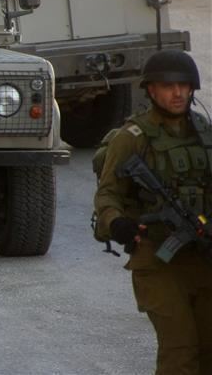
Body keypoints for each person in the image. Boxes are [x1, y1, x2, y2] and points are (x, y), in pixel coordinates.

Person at [93, 50, 211, 375]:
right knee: (180, 350)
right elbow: (107, 195)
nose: (178, 93)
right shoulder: (132, 138)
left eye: (184, 86)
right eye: (168, 86)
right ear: (151, 89)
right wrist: (117, 223)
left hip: (202, 256)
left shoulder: (204, 133)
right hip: (157, 259)